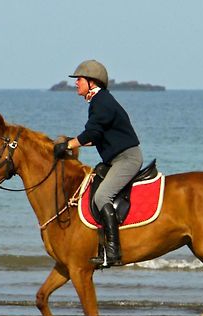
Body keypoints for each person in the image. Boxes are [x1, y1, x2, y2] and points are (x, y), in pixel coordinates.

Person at [53, 60, 143, 267]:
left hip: (127, 158)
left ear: (92, 82)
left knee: (103, 195)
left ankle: (113, 251)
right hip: (116, 158)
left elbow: (92, 133)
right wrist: (72, 143)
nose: (76, 83)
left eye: (79, 80)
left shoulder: (101, 102)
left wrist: (68, 144)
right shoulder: (99, 101)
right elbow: (96, 137)